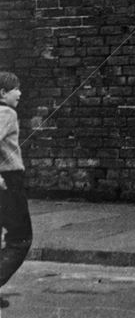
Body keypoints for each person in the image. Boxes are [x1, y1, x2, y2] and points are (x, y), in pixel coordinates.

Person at [0, 72, 32, 310]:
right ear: (2, 93)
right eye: (15, 89)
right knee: (20, 239)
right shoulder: (7, 113)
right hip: (8, 181)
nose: (19, 93)